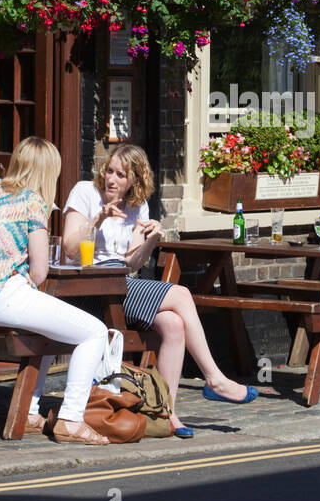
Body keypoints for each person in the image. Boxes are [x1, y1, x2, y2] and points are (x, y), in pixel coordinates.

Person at [63, 143, 257, 436]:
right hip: (87, 289)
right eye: (110, 171)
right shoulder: (85, 192)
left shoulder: (137, 206)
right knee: (181, 294)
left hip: (121, 285)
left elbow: (131, 263)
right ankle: (214, 378)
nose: (111, 179)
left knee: (174, 324)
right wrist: (98, 219)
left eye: (121, 175)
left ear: (134, 182)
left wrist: (152, 239)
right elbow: (68, 249)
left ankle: (167, 413)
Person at [0, 136, 111, 445]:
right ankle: (71, 420)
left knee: (50, 329)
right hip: (0, 296)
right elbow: (40, 270)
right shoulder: (32, 201)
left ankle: (31, 412)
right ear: (49, 171)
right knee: (95, 332)